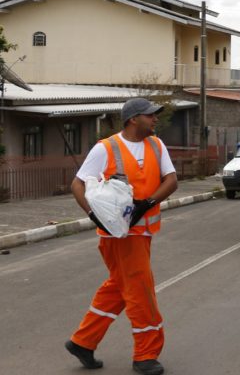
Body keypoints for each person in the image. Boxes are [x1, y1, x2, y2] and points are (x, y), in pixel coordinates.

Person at [65, 98, 178, 375]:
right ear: (133, 119)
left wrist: (147, 203)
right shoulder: (105, 148)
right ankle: (145, 355)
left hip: (143, 233)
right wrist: (92, 215)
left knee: (119, 287)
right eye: (150, 115)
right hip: (117, 236)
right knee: (141, 291)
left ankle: (83, 341)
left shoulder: (157, 144)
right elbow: (77, 184)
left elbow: (171, 180)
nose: (155, 119)